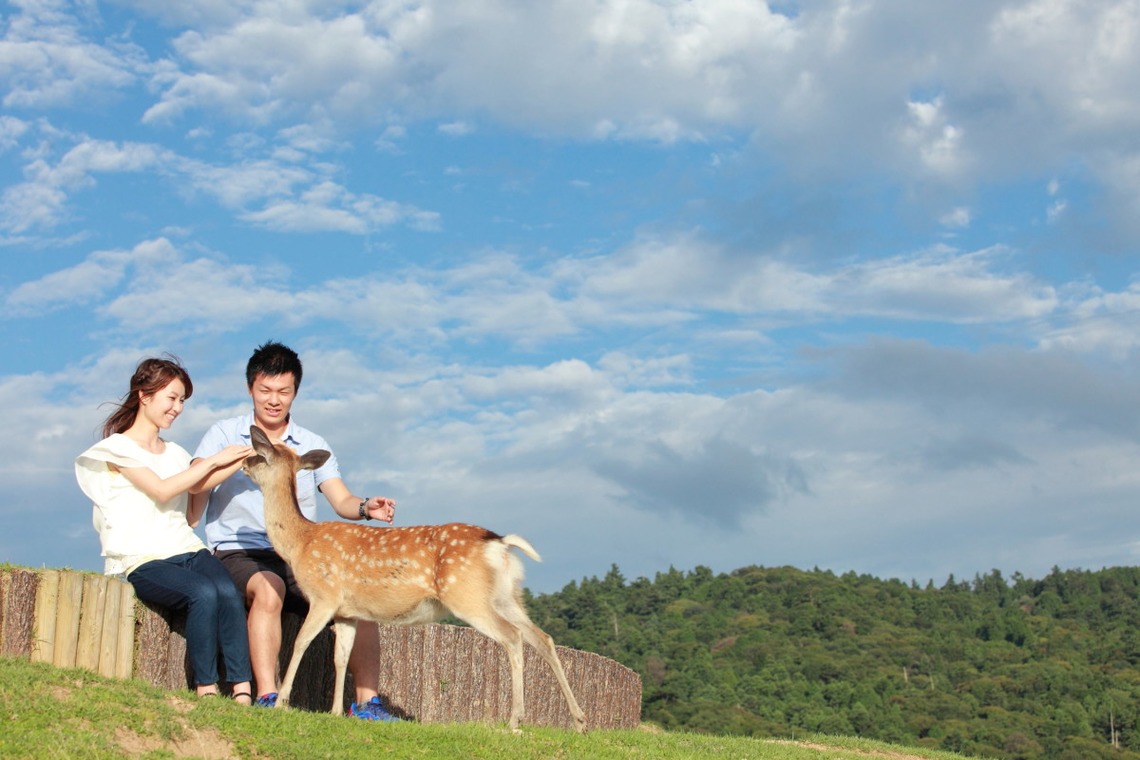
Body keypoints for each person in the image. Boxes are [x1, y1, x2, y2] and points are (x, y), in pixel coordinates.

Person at [190, 340, 400, 721]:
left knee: (361, 600)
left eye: (283, 392)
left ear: (295, 393)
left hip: (303, 552)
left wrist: (367, 507)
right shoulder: (225, 435)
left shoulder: (312, 445)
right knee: (268, 589)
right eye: (265, 390)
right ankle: (270, 697)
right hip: (241, 551)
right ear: (250, 389)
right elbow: (196, 480)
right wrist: (233, 462)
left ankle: (368, 703)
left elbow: (340, 500)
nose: (274, 400)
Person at [74, 356, 254, 703]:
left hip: (185, 546)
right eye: (172, 398)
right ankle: (205, 688)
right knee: (202, 594)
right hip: (142, 557)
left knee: (228, 592)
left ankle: (242, 688)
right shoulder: (116, 449)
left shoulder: (175, 452)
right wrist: (214, 460)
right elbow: (161, 489)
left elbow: (194, 494)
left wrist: (238, 461)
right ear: (144, 395)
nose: (178, 408)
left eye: (183, 400)